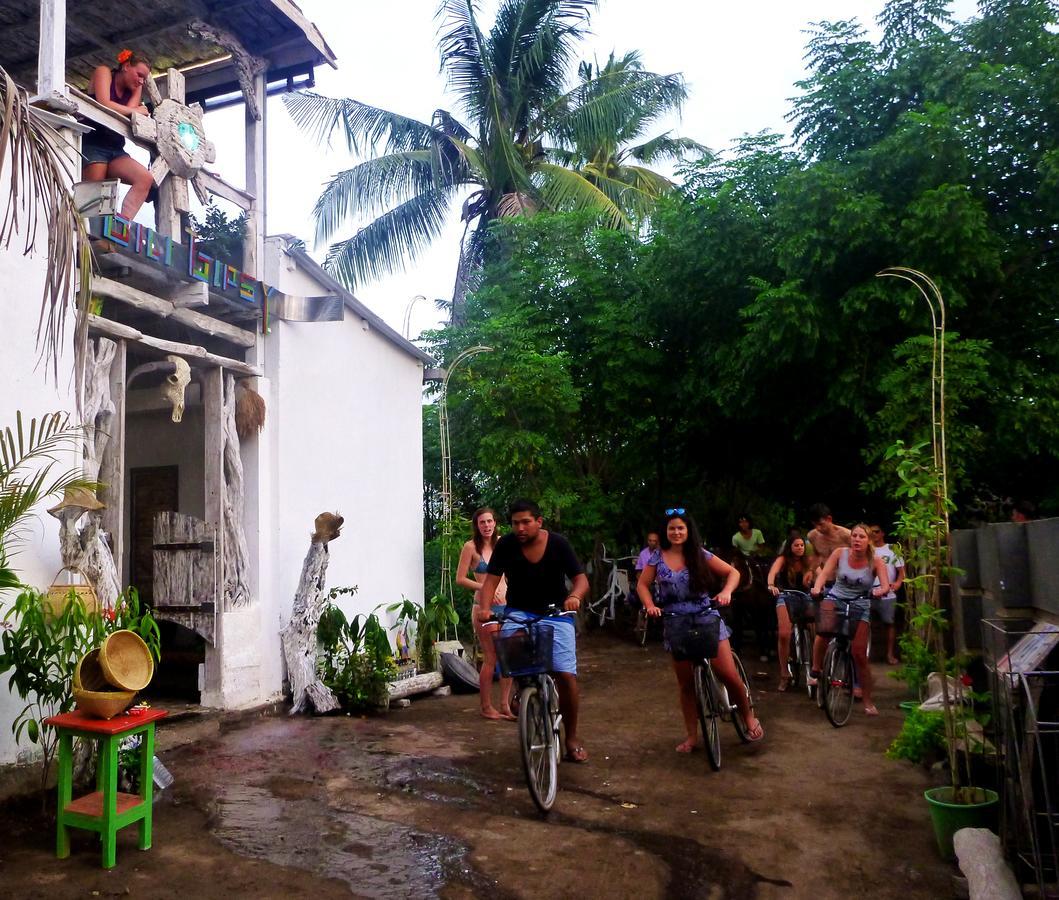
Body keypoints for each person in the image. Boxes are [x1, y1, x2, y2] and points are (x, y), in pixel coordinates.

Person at [637, 508, 765, 751]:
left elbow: (733, 573)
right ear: (666, 531)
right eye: (672, 528)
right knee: (685, 685)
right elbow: (643, 585)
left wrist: (726, 592)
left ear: (688, 531)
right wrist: (650, 605)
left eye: (681, 528)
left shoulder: (699, 554)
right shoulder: (656, 557)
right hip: (675, 621)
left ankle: (749, 717)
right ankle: (692, 736)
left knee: (727, 674)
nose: (676, 532)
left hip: (705, 616)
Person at [478, 499, 591, 763]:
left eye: (526, 522)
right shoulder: (506, 545)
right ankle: (523, 688)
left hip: (556, 614)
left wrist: (575, 596)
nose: (520, 527)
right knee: (511, 648)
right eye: (516, 523)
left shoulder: (558, 544)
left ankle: (571, 737)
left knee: (564, 674)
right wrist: (485, 609)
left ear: (539, 522)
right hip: (518, 612)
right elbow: (490, 582)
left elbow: (581, 579)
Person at [810, 523, 890, 716]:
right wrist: (817, 587)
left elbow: (886, 585)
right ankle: (816, 670)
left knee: (860, 654)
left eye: (861, 537)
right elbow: (825, 573)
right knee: (823, 631)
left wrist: (880, 591)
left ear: (868, 540)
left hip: (860, 603)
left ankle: (868, 701)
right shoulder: (840, 553)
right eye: (854, 536)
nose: (856, 539)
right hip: (836, 597)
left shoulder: (876, 561)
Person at [82, 50, 156, 221]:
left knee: (145, 179)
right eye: (139, 75)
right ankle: (87, 235)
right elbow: (104, 103)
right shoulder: (104, 72)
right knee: (95, 197)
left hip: (115, 147)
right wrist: (136, 110)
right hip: (93, 141)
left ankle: (122, 225)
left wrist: (134, 110)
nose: (141, 81)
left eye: (144, 78)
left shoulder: (136, 89)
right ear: (126, 66)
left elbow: (126, 116)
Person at [455, 507, 513, 721]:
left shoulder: (504, 544)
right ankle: (486, 706)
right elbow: (460, 578)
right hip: (483, 607)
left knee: (508, 657)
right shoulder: (470, 547)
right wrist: (484, 588)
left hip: (507, 606)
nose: (487, 526)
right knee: (491, 657)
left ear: (495, 523)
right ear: (477, 525)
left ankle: (505, 704)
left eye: (490, 521)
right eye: (482, 522)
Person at [766, 531, 814, 690]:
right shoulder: (783, 560)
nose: (800, 548)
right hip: (785, 596)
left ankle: (816, 668)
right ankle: (784, 673)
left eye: (802, 545)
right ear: (790, 547)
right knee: (784, 634)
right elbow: (772, 573)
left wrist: (820, 586)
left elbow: (820, 575)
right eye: (796, 545)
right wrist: (771, 585)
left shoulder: (809, 561)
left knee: (817, 629)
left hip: (805, 597)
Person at [868, 524, 904, 665]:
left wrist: (898, 583)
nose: (874, 534)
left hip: (887, 592)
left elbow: (901, 571)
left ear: (882, 533)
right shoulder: (867, 549)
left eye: (876, 531)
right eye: (871, 532)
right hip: (869, 592)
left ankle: (890, 654)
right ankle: (866, 654)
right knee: (864, 623)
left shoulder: (892, 549)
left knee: (889, 623)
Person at [806, 503, 851, 573]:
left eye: (821, 524)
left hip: (846, 578)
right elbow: (816, 555)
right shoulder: (812, 536)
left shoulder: (847, 535)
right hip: (826, 578)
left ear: (829, 519)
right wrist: (811, 570)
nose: (818, 528)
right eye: (814, 525)